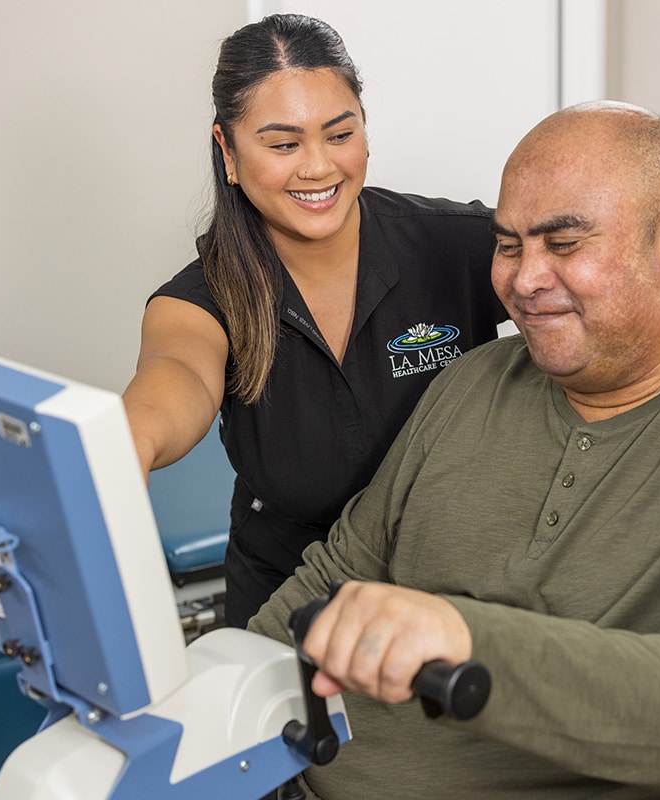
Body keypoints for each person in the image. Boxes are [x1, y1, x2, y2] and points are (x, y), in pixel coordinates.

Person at [248, 101, 660, 799]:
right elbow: (331, 581)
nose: (524, 280)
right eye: (509, 245)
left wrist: (466, 640)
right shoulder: (474, 380)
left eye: (564, 243)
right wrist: (218, 695)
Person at [121, 14, 507, 628]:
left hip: (451, 597)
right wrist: (124, 447)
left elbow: (584, 288)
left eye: (339, 134)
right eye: (283, 145)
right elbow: (178, 375)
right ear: (228, 150)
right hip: (287, 600)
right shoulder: (201, 298)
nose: (318, 167)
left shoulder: (456, 245)